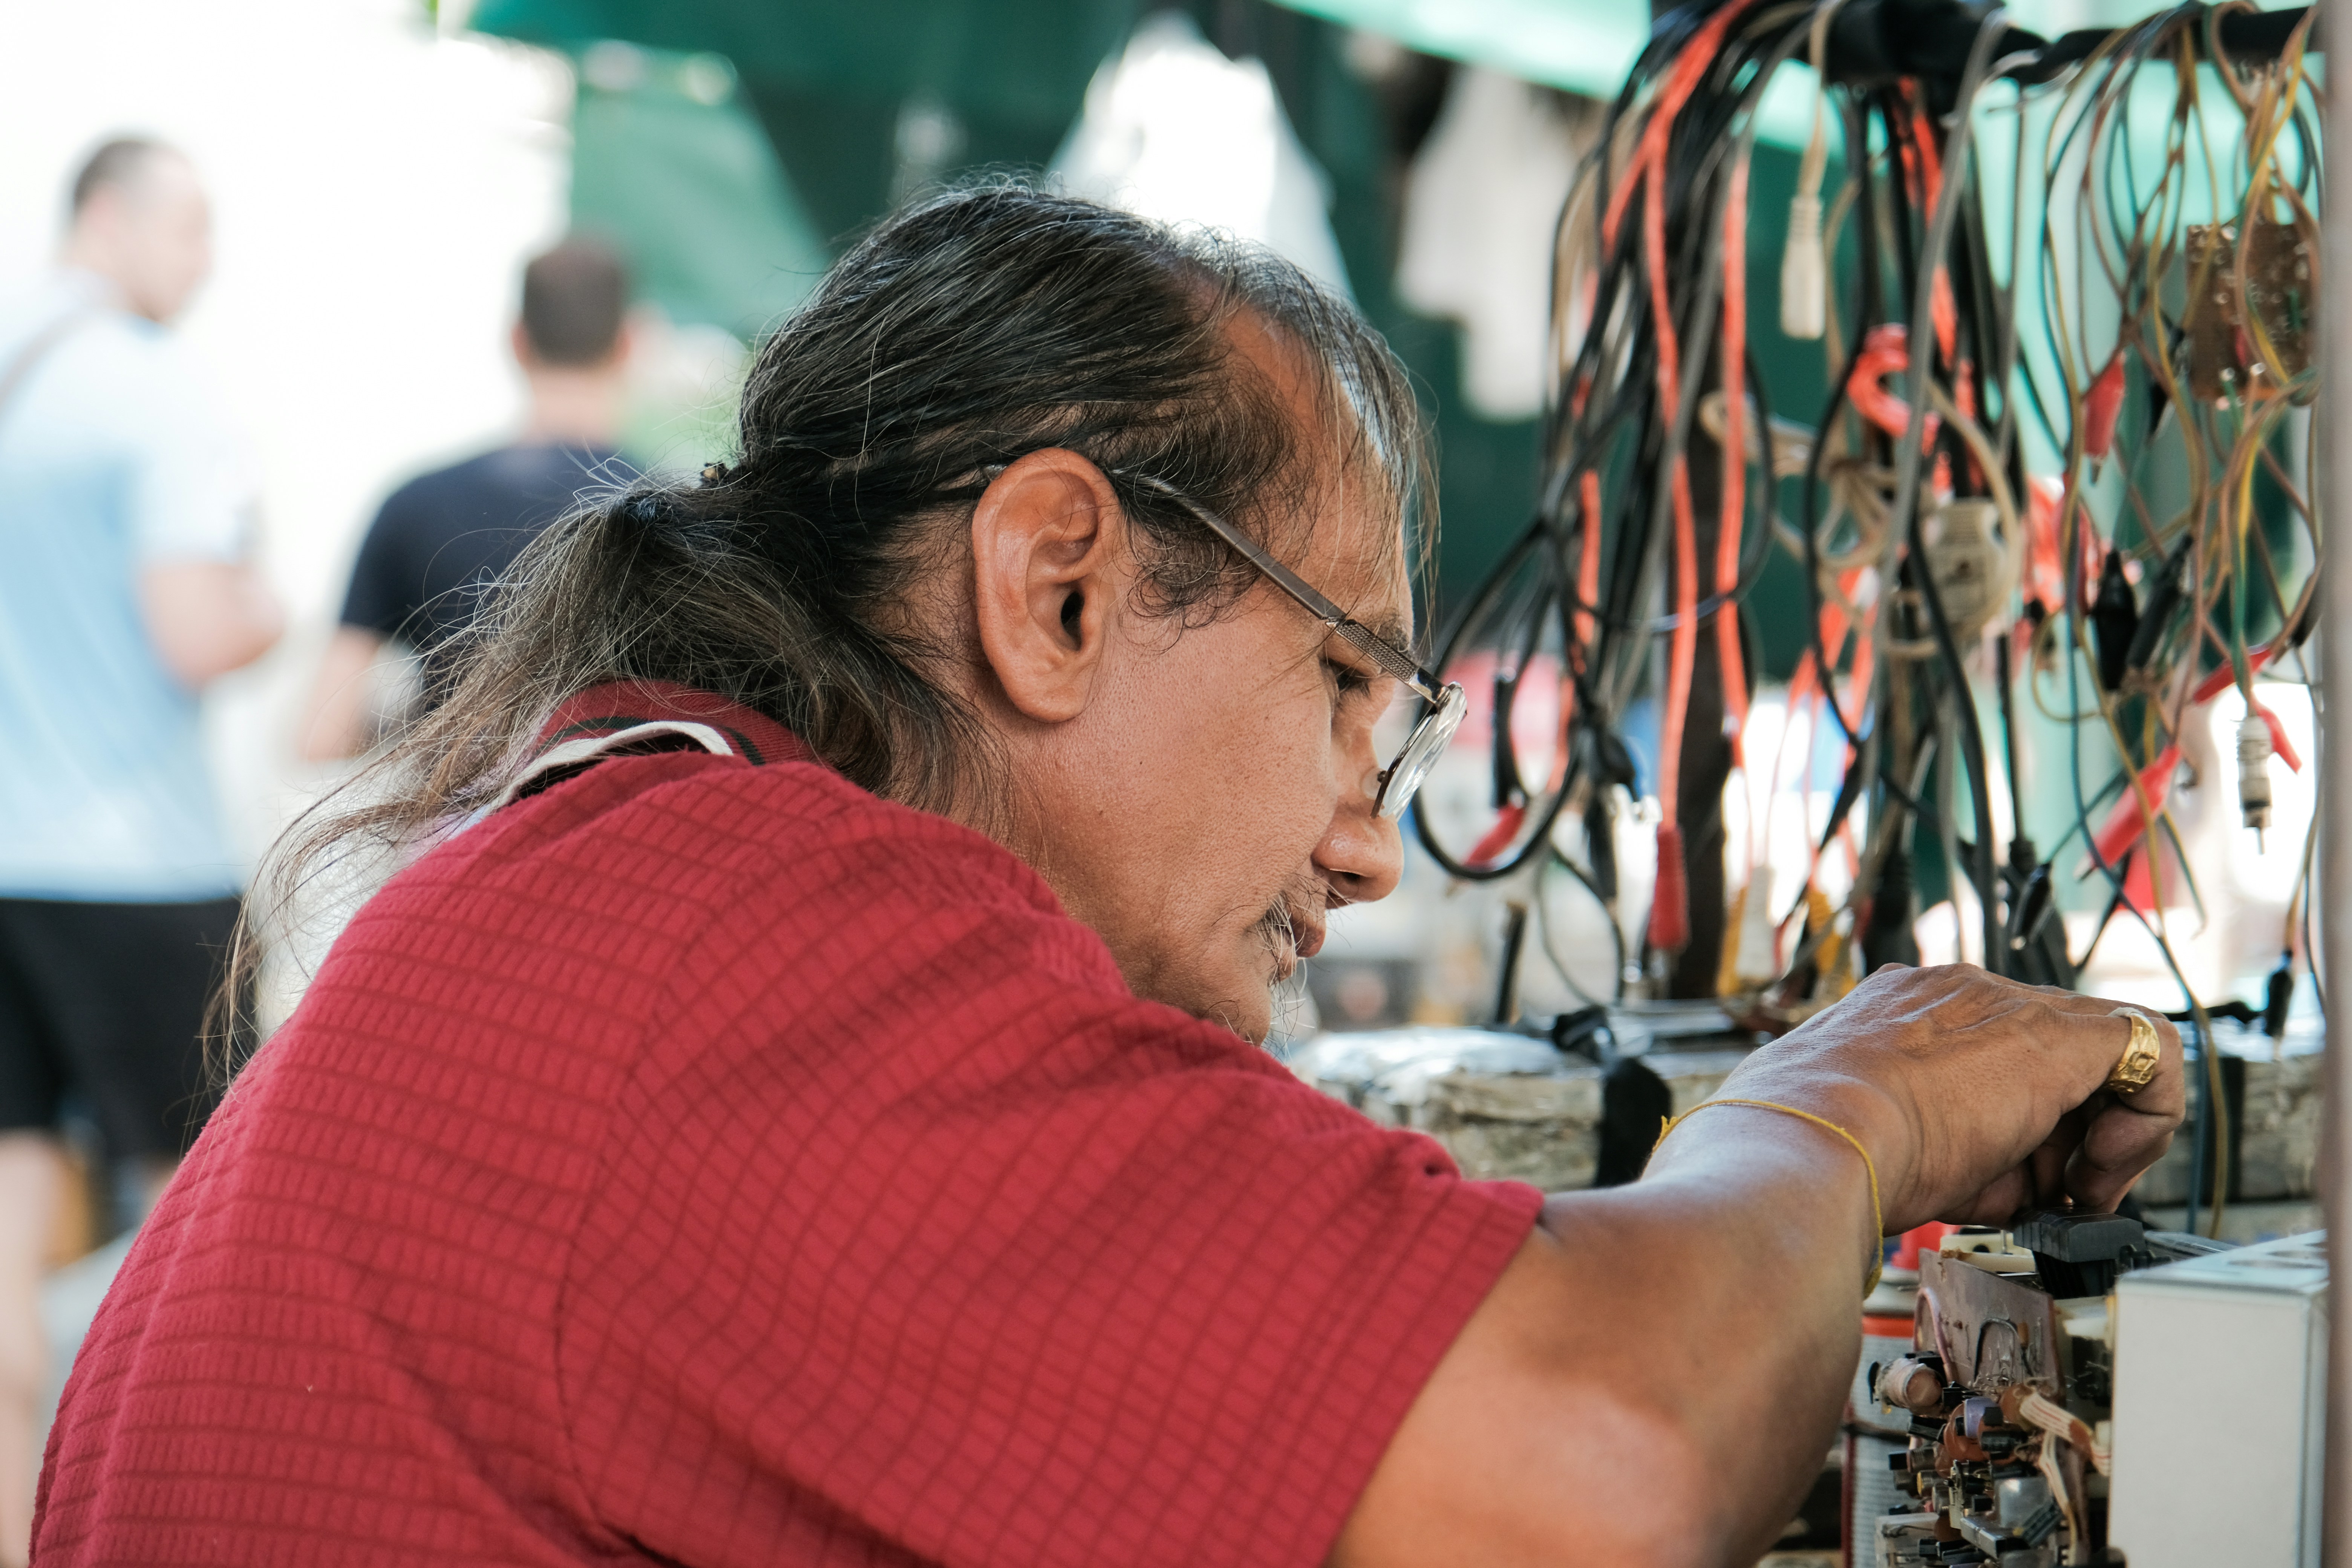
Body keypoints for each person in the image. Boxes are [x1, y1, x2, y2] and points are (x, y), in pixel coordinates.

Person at [33, 187, 2181, 1567]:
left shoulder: (639, 861)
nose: (1365, 839)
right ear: (1056, 587)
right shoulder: (754, 930)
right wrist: (1851, 1092)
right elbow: (1595, 1466)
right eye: (1349, 688)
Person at [0, 137, 283, 1566]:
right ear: (107, 217)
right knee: (209, 1240)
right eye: (192, 228)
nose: (206, 261)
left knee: (3, 1247)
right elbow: (197, 634)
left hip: (3, 867)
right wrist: (271, 607)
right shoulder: (151, 391)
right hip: (136, 867)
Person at [299, 236, 635, 760]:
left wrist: (437, 723)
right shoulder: (668, 515)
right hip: (610, 828)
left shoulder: (414, 503)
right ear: (628, 345)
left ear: (517, 341)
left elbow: (324, 734)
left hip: (457, 834)